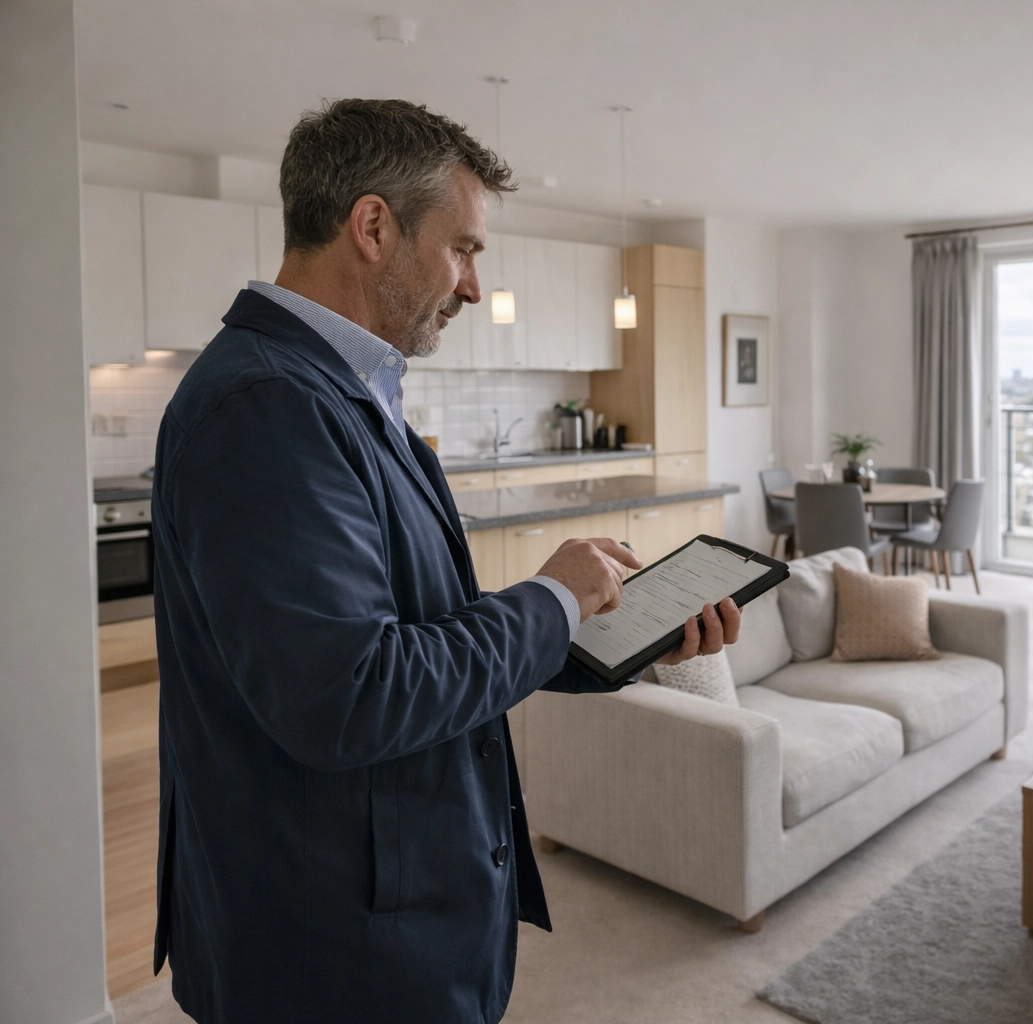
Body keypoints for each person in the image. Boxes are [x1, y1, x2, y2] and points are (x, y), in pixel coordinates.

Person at [149, 98, 739, 1024]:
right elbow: (351, 695)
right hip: (333, 949)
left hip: (382, 912)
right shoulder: (267, 407)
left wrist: (611, 631)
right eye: (463, 248)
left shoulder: (341, 390)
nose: (471, 287)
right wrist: (551, 598)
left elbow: (427, 636)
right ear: (373, 227)